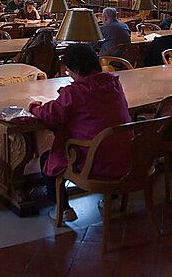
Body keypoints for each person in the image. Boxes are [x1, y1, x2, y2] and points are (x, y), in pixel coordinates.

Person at [28, 43, 131, 221]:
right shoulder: (114, 84)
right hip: (126, 155)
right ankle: (111, 199)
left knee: (48, 158)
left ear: (75, 69)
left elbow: (51, 115)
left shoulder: (75, 92)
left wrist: (34, 107)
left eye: (68, 71)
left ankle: (63, 208)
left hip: (94, 162)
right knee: (107, 140)